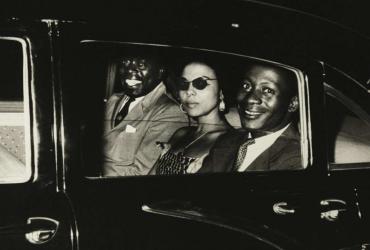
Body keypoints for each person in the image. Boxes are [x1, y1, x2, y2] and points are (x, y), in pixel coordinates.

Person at [199, 62, 302, 172]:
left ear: (292, 103)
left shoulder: (299, 158)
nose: (250, 99)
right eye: (246, 86)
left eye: (267, 90)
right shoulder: (227, 140)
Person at [102, 55, 189, 176]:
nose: (130, 70)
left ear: (160, 72)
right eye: (125, 63)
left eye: (141, 65)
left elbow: (140, 174)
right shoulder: (113, 100)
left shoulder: (170, 113)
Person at [150, 61, 231, 175]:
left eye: (200, 83)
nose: (189, 91)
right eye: (183, 84)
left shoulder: (229, 142)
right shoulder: (181, 133)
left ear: (221, 93)